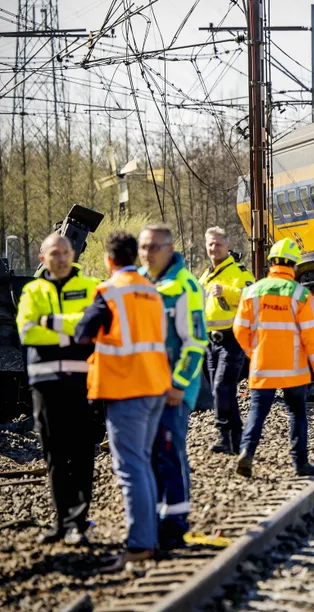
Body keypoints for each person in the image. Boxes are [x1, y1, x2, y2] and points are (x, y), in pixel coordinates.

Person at [75, 231, 172, 569]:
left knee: (130, 469)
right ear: (133, 258)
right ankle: (149, 538)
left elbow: (81, 335)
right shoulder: (151, 292)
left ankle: (139, 544)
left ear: (109, 260)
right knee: (143, 464)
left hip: (126, 389)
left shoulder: (109, 291)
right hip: (155, 386)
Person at [15, 234, 100, 545]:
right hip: (46, 384)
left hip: (82, 382)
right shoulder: (32, 290)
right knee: (54, 453)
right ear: (43, 258)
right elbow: (27, 331)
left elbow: (92, 327)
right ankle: (61, 522)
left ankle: (78, 523)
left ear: (73, 253)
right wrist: (70, 331)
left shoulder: (91, 288)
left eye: (66, 252)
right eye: (55, 253)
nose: (61, 258)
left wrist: (49, 322)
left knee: (81, 453)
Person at [138, 223, 207, 550]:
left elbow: (194, 341)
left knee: (168, 453)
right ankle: (154, 520)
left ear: (169, 248)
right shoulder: (139, 281)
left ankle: (176, 524)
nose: (147, 253)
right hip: (143, 386)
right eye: (143, 247)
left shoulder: (184, 285)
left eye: (153, 247)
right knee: (148, 456)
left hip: (172, 388)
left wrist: (179, 384)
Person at [233, 239, 314, 478]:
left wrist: (254, 353)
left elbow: (240, 329)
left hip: (262, 366)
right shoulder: (301, 295)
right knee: (297, 413)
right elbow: (311, 336)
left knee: (257, 411)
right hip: (294, 370)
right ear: (294, 266)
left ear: (271, 263)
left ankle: (246, 452)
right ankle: (300, 463)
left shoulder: (252, 291)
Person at [197, 227, 254, 454]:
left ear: (228, 246)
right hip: (210, 342)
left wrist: (228, 292)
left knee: (222, 387)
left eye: (218, 244)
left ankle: (228, 435)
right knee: (221, 391)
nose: (214, 248)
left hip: (233, 339)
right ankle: (232, 438)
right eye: (210, 244)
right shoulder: (206, 275)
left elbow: (254, 298)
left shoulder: (238, 272)